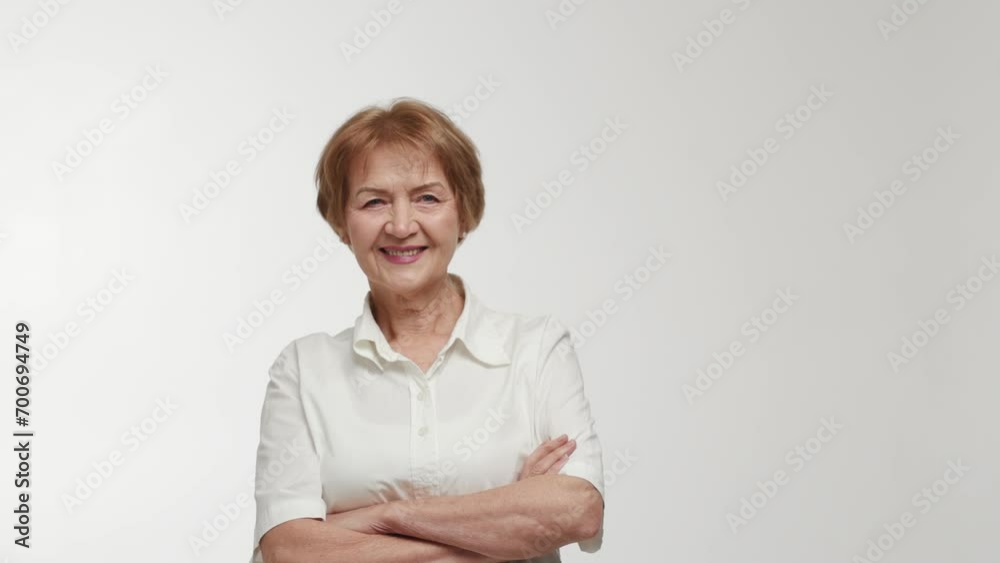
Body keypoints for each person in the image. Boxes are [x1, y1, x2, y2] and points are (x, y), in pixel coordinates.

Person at [250, 98, 605, 563]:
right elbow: (288, 551)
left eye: (428, 198)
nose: (401, 226)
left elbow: (579, 510)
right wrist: (505, 528)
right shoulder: (303, 370)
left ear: (466, 213)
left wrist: (382, 517)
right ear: (341, 223)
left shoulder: (536, 349)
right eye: (374, 201)